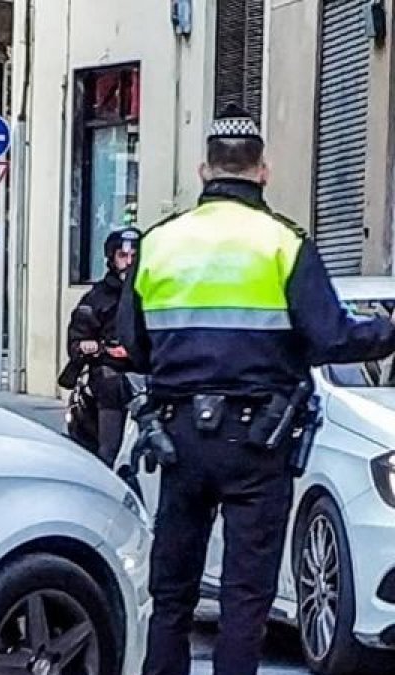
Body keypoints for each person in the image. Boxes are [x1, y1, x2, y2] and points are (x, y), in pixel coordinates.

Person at [117, 104, 395, 675]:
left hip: (178, 438)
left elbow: (134, 345)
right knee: (246, 600)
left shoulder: (159, 242)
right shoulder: (283, 243)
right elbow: (331, 337)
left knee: (172, 594)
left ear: (204, 170)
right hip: (259, 442)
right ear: (263, 171)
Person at [62, 227, 140, 467]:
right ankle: (108, 464)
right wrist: (90, 346)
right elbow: (76, 339)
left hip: (148, 375)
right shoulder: (97, 297)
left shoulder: (154, 294)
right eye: (123, 256)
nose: (129, 262)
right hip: (111, 376)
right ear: (111, 258)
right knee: (109, 386)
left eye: (134, 256)